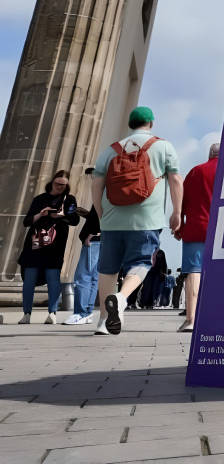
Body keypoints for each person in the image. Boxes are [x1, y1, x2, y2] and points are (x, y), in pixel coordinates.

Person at [91, 106, 183, 336]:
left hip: (112, 219)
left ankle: (103, 321)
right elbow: (175, 181)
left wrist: (102, 214)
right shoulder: (162, 146)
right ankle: (121, 299)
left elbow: (95, 184)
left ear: (130, 124)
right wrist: (176, 212)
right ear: (150, 123)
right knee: (141, 263)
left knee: (107, 269)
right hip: (147, 219)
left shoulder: (111, 149)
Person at [17, 170, 80, 324]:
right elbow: (27, 221)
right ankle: (26, 314)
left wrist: (61, 216)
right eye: (58, 184)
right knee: (29, 279)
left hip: (55, 244)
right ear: (52, 182)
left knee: (53, 277)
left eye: (63, 185)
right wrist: (41, 214)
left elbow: (75, 220)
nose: (60, 187)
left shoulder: (69, 199)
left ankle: (52, 313)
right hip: (35, 243)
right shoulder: (40, 199)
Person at [174, 142, 219, 332]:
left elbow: (183, 200)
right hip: (222, 231)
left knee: (194, 271)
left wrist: (179, 226)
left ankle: (190, 319)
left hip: (196, 228)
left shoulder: (196, 171)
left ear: (209, 153)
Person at [64, 171, 102, 325]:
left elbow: (111, 215)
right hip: (100, 239)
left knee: (83, 276)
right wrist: (88, 215)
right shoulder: (109, 191)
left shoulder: (105, 192)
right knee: (92, 277)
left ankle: (80, 313)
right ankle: (86, 312)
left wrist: (99, 232)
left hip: (95, 239)